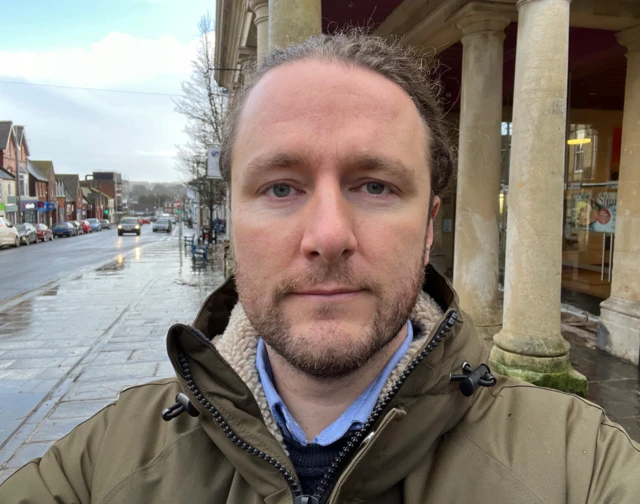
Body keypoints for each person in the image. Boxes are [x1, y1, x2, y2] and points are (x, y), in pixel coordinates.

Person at [2, 31, 639, 504]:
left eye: (375, 186)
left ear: (428, 228)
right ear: (231, 220)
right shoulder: (102, 466)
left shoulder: (575, 467)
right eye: (280, 187)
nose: (328, 235)